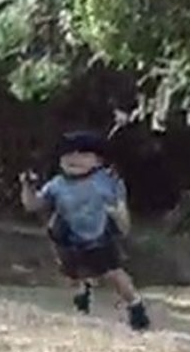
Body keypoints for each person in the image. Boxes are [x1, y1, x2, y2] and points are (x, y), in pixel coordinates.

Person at [19, 130, 151, 331]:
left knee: (114, 275)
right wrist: (27, 186)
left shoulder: (107, 182)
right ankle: (84, 289)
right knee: (71, 270)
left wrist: (118, 217)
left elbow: (124, 220)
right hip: (69, 237)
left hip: (100, 236)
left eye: (83, 154)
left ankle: (135, 306)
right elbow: (33, 205)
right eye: (69, 154)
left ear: (98, 160)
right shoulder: (57, 184)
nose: (74, 159)